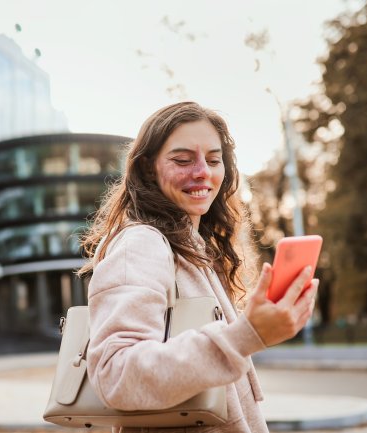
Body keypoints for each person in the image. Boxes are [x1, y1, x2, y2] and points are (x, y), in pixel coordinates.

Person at [78, 101, 319, 432]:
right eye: (182, 160)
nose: (203, 172)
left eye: (213, 160)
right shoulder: (141, 244)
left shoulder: (194, 248)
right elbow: (115, 375)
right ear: (148, 168)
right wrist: (244, 336)